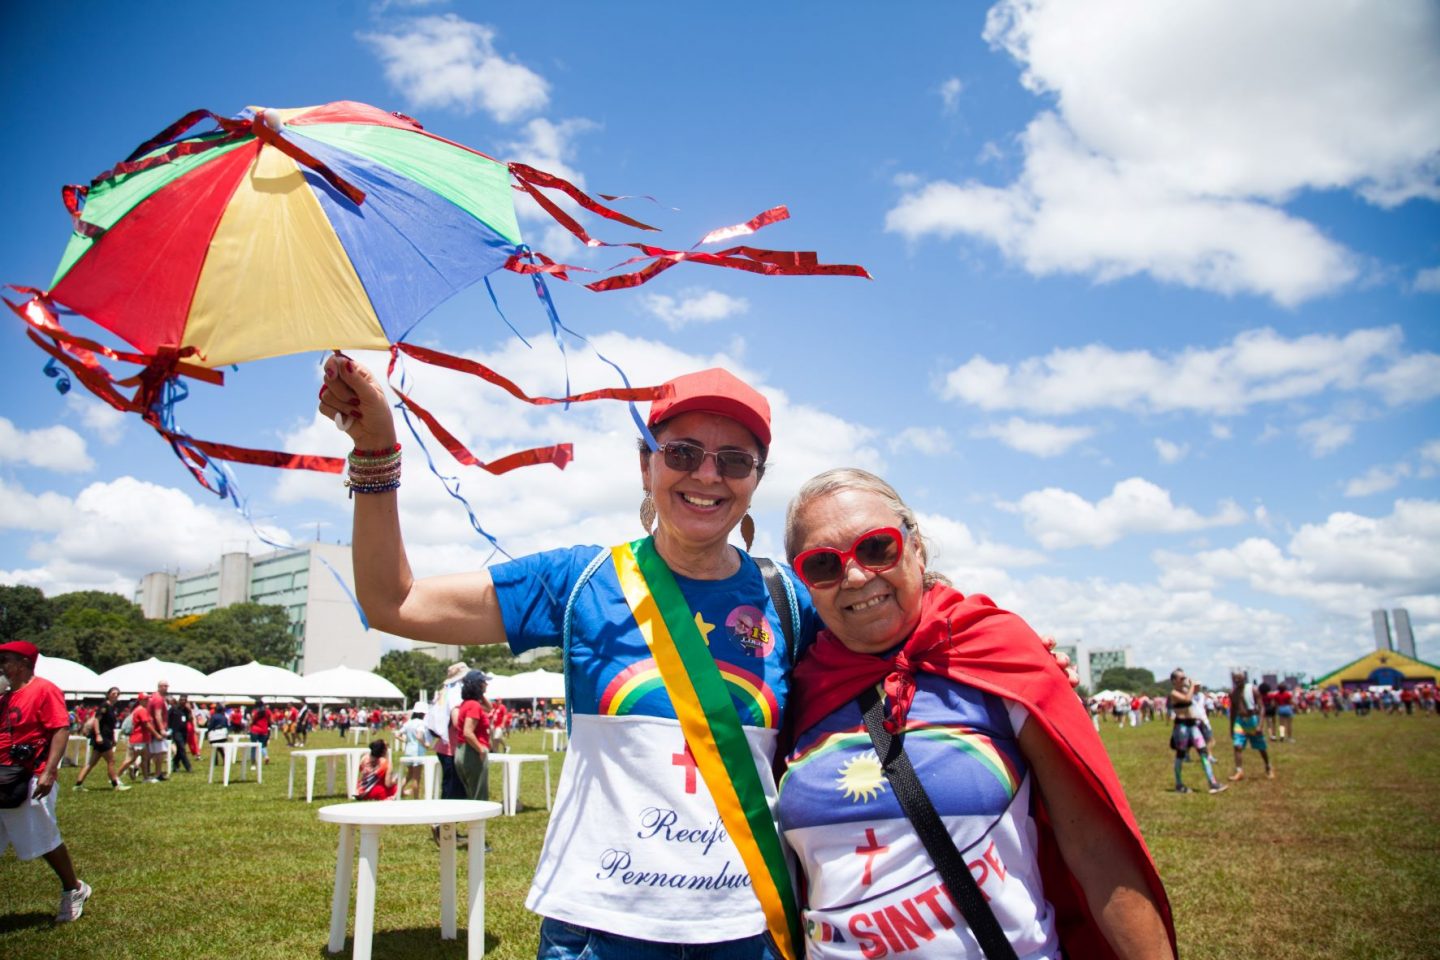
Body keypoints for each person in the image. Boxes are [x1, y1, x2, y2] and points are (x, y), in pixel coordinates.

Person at [320, 360, 819, 958]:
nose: (708, 475)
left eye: (735, 460)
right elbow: (393, 601)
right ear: (646, 464)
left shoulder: (789, 599)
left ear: (756, 479)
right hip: (599, 930)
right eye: (683, 452)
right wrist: (377, 451)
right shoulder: (580, 580)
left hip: (752, 929)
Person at [777, 469, 1174, 959]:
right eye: (823, 564)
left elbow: (1096, 850)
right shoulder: (799, 688)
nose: (856, 576)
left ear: (916, 547)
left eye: (876, 548)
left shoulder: (998, 653)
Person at [0, 640, 92, 922]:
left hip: (30, 775)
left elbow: (60, 729)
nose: (1, 666)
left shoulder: (44, 689)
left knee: (43, 838)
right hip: (2, 774)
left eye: (6, 660)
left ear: (24, 663)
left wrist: (49, 771)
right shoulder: (4, 697)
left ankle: (73, 888)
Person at [1166, 668, 1225, 794]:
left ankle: (1212, 782)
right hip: (1181, 727)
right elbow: (1187, 699)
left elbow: (1193, 699)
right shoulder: (1174, 693)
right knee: (1180, 755)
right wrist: (1192, 685)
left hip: (1192, 725)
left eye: (1184, 677)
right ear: (1174, 681)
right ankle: (1179, 784)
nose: (1184, 680)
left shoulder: (1187, 690)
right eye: (1181, 678)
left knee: (1203, 752)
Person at [73, 686, 129, 791]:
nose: (115, 696)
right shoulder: (104, 706)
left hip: (107, 737)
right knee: (111, 761)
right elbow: (96, 720)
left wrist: (113, 738)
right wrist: (98, 735)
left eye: (117, 694)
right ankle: (115, 784)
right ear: (108, 695)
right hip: (102, 738)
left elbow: (110, 725)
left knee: (91, 763)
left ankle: (78, 785)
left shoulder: (112, 708)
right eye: (113, 693)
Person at [1229, 670, 1274, 781]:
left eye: (1239, 678)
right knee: (1237, 746)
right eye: (1235, 679)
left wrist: (1260, 725)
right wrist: (1231, 727)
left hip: (1252, 720)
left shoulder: (1253, 690)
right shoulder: (1233, 693)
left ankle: (1268, 766)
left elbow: (1262, 707)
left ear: (1244, 679)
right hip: (1240, 721)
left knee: (1261, 747)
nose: (1236, 681)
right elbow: (1233, 711)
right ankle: (1239, 771)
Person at [455, 671, 491, 802]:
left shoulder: (467, 703)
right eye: (483, 682)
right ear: (479, 685)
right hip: (472, 752)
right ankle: (479, 822)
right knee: (479, 795)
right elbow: (468, 732)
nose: (486, 684)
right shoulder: (474, 705)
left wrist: (479, 693)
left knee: (472, 793)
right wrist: (480, 749)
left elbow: (489, 708)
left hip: (463, 750)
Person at [397, 703, 431, 799]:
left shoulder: (408, 723)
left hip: (408, 751)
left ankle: (398, 793)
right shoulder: (421, 723)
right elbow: (419, 736)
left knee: (409, 775)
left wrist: (405, 740)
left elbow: (397, 734)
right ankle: (416, 798)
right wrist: (425, 744)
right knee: (416, 777)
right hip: (417, 752)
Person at [168, 696, 195, 774]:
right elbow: (167, 718)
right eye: (181, 700)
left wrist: (190, 711)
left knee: (180, 749)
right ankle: (188, 767)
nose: (183, 701)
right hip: (176, 732)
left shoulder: (186, 710)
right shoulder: (174, 709)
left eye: (184, 700)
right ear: (179, 700)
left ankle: (175, 764)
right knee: (182, 748)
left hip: (184, 732)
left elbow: (190, 719)